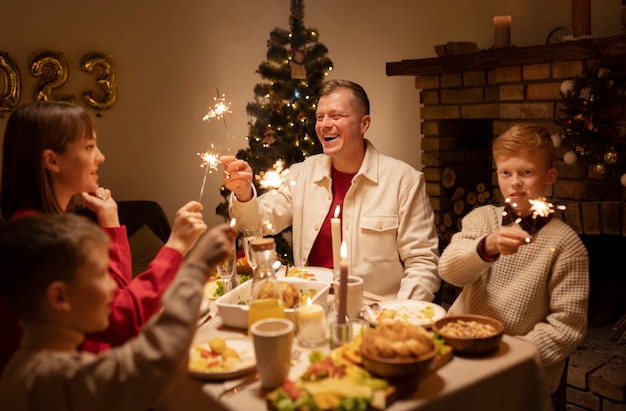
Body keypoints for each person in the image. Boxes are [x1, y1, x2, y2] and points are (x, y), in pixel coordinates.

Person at [0, 101, 207, 374]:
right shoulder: (35, 242)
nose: (100, 157)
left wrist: (109, 220)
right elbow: (123, 320)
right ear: (52, 160)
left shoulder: (49, 225)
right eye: (89, 147)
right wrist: (177, 246)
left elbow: (113, 295)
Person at [220, 79, 440, 300]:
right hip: (310, 305)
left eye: (336, 116)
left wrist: (398, 314)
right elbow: (256, 223)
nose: (324, 124)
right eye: (319, 117)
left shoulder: (404, 181)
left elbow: (423, 263)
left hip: (376, 310)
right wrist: (243, 193)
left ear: (364, 124)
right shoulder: (302, 174)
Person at [0, 213, 237, 410]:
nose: (114, 286)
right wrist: (196, 268)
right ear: (59, 297)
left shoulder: (32, 366)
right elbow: (153, 364)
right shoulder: (47, 381)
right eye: (102, 274)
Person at [438, 123, 589, 394]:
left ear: (549, 176)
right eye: (506, 173)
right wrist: (486, 247)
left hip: (517, 365)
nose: (515, 182)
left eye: (526, 173)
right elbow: (449, 272)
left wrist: (510, 356)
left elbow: (567, 327)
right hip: (459, 344)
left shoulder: (567, 245)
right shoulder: (482, 219)